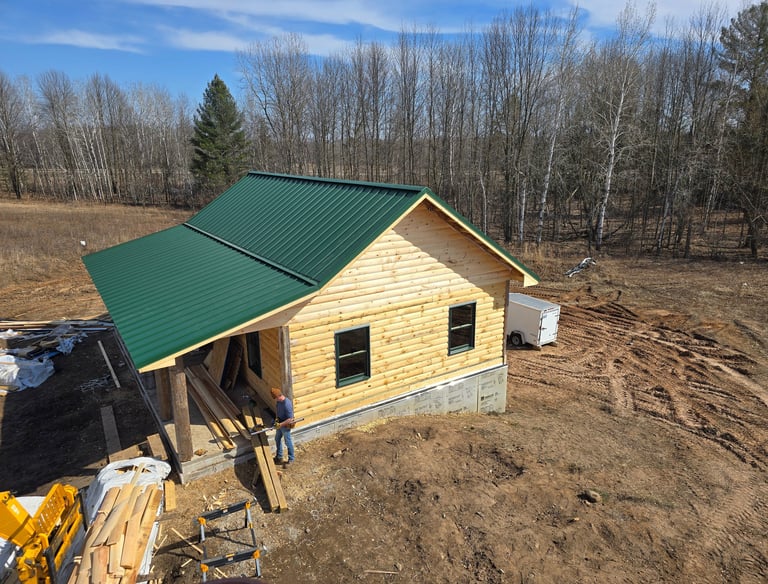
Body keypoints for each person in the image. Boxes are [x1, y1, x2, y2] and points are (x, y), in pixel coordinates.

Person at [271, 387, 295, 464]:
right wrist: (276, 421)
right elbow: (278, 412)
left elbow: (290, 419)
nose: (276, 400)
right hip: (280, 423)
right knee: (277, 439)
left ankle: (291, 459)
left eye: (276, 398)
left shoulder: (287, 404)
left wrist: (280, 425)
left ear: (279, 396)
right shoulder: (279, 402)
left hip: (286, 425)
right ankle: (279, 456)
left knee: (287, 442)